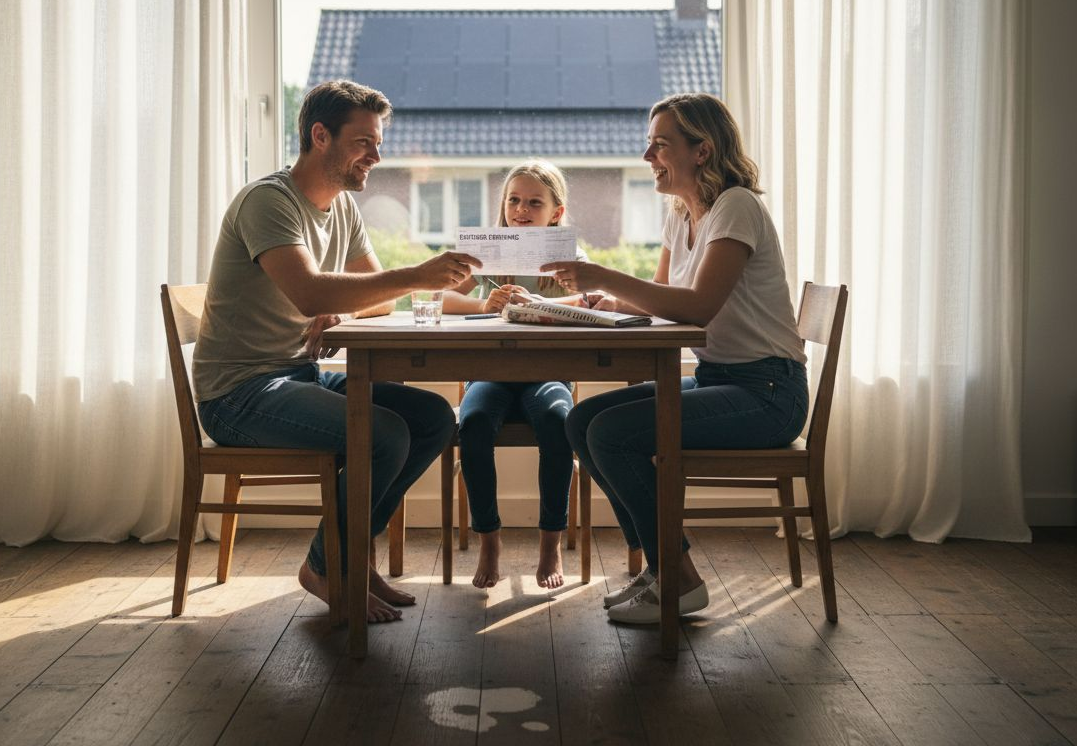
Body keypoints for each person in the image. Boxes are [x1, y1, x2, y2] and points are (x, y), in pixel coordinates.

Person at [192, 80, 483, 623]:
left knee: (434, 419)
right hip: (237, 394)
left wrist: (348, 309)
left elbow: (373, 293)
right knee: (384, 433)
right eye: (364, 142)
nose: (377, 154)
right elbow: (310, 291)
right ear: (320, 136)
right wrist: (410, 276)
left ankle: (348, 554)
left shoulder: (343, 208)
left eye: (378, 142)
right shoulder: (269, 202)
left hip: (295, 376)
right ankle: (328, 566)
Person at [542, 93, 809, 624]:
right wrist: (598, 302)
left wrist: (603, 276)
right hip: (722, 380)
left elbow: (699, 310)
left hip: (768, 393)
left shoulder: (736, 206)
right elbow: (662, 302)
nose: (647, 157)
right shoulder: (681, 215)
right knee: (583, 421)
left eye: (660, 145)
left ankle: (679, 579)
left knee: (612, 433)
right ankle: (663, 569)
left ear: (702, 150)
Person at [441, 160, 592, 590]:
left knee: (557, 422)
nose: (521, 210)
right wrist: (483, 304)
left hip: (548, 375)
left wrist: (540, 305)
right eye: (514, 200)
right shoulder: (489, 251)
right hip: (490, 372)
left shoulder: (567, 255)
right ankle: (489, 540)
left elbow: (594, 301)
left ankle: (551, 543)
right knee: (472, 425)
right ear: (503, 205)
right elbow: (442, 298)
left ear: (555, 213)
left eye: (534, 202)